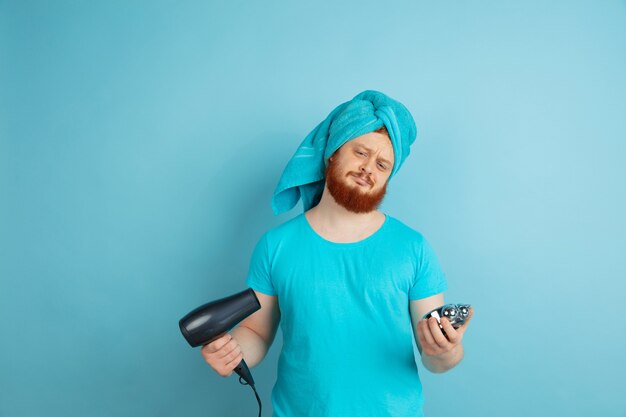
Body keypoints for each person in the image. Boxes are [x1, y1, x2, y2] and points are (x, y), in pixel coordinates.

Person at [201, 90, 474, 416]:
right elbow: (256, 332)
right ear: (332, 152)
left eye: (382, 164)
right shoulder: (276, 246)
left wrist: (445, 350)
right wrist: (233, 352)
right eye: (360, 152)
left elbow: (436, 357)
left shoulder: (413, 248)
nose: (368, 169)